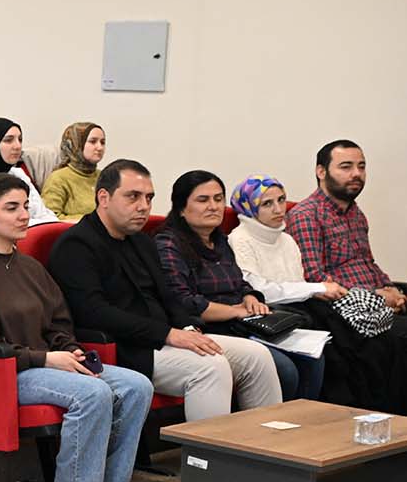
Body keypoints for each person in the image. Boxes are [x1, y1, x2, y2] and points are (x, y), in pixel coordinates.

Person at [0, 173, 154, 482]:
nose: (24, 215)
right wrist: (47, 359)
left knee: (137, 386)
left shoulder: (29, 267)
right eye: (11, 208)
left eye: (26, 206)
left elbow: (58, 322)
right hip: (6, 371)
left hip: (49, 362)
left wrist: (69, 349)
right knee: (92, 393)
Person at [48, 160, 282, 422]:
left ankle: (266, 444)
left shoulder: (140, 240)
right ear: (104, 198)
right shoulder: (76, 245)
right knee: (210, 368)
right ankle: (207, 449)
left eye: (149, 198)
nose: (143, 206)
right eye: (133, 197)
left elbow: (169, 297)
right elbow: (94, 313)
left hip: (165, 338)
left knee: (257, 357)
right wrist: (169, 334)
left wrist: (188, 328)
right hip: (125, 347)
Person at [158, 170, 323, 401]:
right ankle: (267, 421)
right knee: (284, 369)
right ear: (181, 208)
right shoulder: (168, 243)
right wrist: (235, 311)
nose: (213, 207)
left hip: (242, 325)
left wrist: (250, 297)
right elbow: (184, 302)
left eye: (218, 199)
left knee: (312, 358)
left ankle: (299, 420)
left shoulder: (219, 240)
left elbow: (240, 282)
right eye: (203, 200)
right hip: (207, 329)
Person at [286, 140, 402, 309]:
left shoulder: (356, 213)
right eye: (346, 167)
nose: (357, 173)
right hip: (346, 308)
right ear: (321, 172)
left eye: (361, 167)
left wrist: (391, 289)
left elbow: (368, 263)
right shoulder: (306, 215)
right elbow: (314, 277)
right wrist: (376, 295)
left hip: (378, 301)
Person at [227, 176, 344, 308]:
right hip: (269, 313)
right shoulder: (239, 240)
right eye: (267, 203)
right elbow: (258, 292)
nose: (278, 209)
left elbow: (298, 287)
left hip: (299, 309)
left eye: (281, 200)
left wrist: (318, 291)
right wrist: (317, 288)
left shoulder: (287, 239)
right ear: (249, 209)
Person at [0, 118, 56, 224]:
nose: (18, 146)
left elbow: (42, 212)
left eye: (20, 140)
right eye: (8, 140)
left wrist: (57, 224)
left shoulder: (18, 173)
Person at [41, 121, 105, 221]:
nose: (100, 147)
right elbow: (50, 218)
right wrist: (91, 221)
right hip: (75, 231)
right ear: (76, 144)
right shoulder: (58, 179)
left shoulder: (104, 176)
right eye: (93, 141)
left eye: (102, 142)